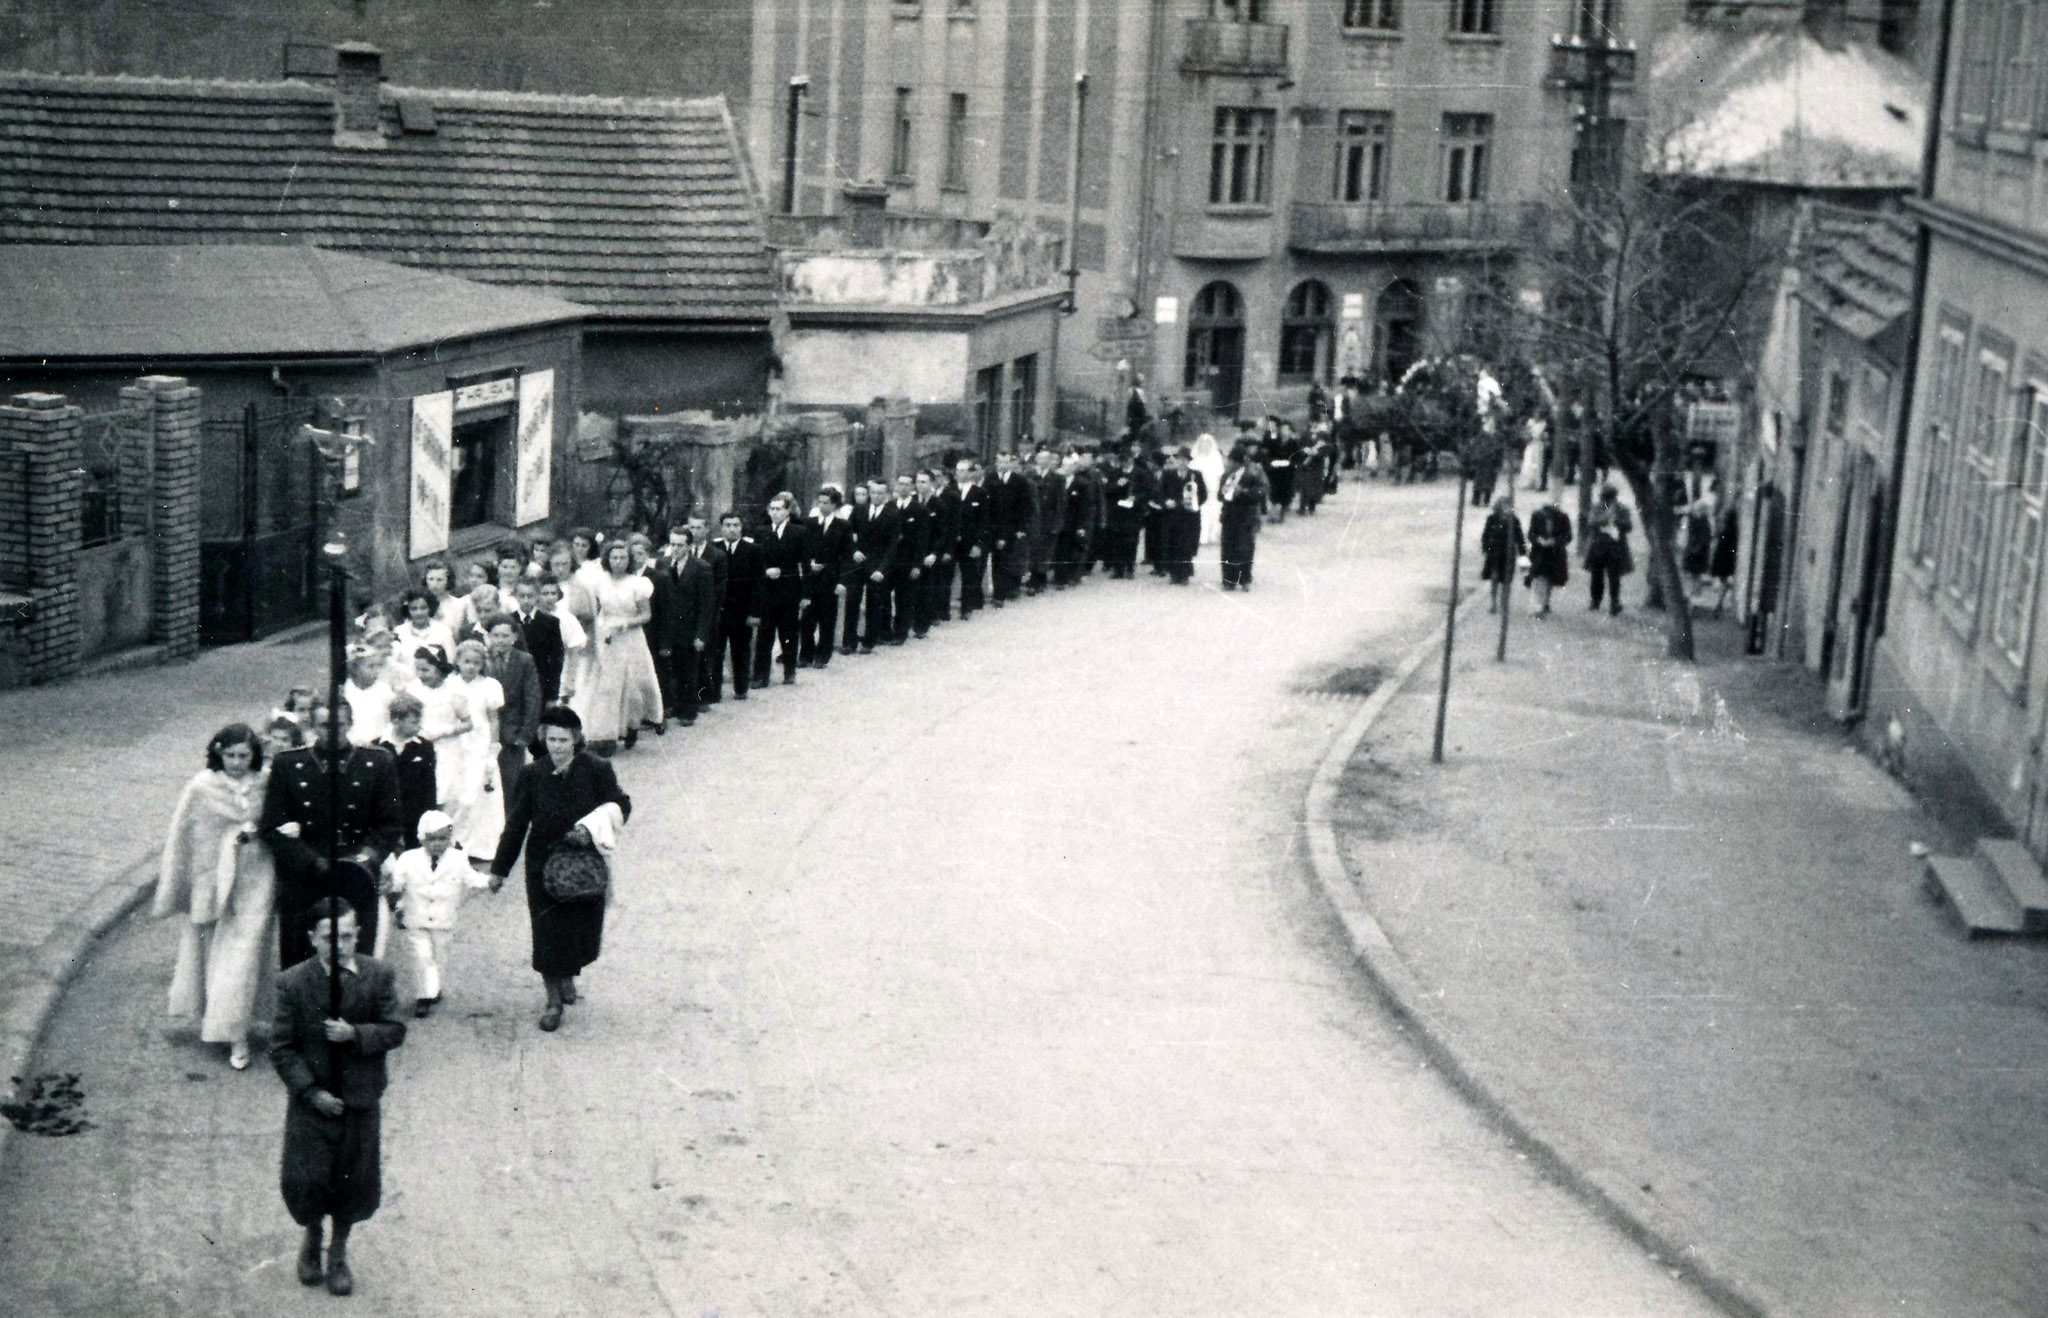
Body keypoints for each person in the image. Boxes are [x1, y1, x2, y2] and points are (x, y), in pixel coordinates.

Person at [270, 898, 406, 1297]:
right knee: (308, 1179)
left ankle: (339, 1252)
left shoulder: (378, 975)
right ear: (313, 938)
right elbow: (282, 1047)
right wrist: (311, 1093)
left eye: (347, 936)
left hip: (360, 1100)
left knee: (353, 1180)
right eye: (329, 937)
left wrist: (356, 1034)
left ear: (357, 935)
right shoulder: (292, 983)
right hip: (311, 1103)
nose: (339, 945)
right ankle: (312, 1239)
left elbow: (395, 1028)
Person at [490, 706, 631, 1033]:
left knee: (580, 930)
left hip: (584, 864)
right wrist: (499, 869)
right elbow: (516, 825)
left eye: (563, 740)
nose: (557, 746)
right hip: (542, 865)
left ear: (576, 739)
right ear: (543, 739)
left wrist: (591, 829)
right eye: (551, 739)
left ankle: (567, 974)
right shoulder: (532, 774)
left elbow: (621, 804)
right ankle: (553, 1000)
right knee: (547, 932)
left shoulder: (597, 769)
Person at [152, 723, 276, 1071]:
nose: (237, 762)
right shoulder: (202, 787)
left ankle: (238, 1030)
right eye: (230, 755)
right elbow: (187, 836)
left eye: (244, 755)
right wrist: (195, 886)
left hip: (259, 876)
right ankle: (229, 1028)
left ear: (254, 755)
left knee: (247, 951)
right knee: (218, 951)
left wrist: (260, 831)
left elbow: (278, 819)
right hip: (218, 882)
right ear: (218, 754)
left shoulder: (265, 782)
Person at [260, 703, 402, 970]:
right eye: (325, 725)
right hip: (305, 876)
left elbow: (390, 823)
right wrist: (310, 862)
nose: (333, 730)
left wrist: (367, 858)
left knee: (355, 956)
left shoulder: (377, 762)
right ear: (313, 727)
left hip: (356, 874)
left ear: (350, 724)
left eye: (340, 724)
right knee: (300, 957)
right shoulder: (288, 764)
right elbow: (271, 827)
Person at [381, 810, 488, 1018]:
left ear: (450, 838)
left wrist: (490, 881)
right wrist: (389, 886)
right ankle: (423, 997)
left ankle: (434, 988)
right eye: (432, 839)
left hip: (444, 920)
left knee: (440, 957)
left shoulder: (458, 858)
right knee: (422, 957)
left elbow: (471, 878)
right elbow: (397, 882)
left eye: (443, 839)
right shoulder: (408, 859)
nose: (438, 844)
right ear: (422, 838)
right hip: (416, 919)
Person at [575, 538, 665, 750]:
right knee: (608, 685)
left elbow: (646, 615)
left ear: (629, 560)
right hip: (607, 637)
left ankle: (641, 722)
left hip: (631, 638)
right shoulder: (599, 582)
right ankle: (607, 734)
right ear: (607, 559)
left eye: (623, 557)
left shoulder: (637, 584)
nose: (618, 561)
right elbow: (595, 609)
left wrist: (625, 623)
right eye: (614, 557)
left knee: (637, 682)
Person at [448, 639, 506, 855]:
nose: (471, 667)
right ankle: (455, 840)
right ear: (458, 662)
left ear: (482, 664)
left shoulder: (490, 685)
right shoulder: (450, 684)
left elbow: (493, 718)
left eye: (476, 663)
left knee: (478, 791)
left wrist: (493, 745)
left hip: (480, 742)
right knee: (459, 793)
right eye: (467, 662)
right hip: (456, 743)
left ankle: (481, 845)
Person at [656, 526, 716, 723]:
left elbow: (706, 605)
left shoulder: (701, 568)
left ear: (689, 546)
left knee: (687, 671)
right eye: (673, 544)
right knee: (667, 669)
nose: (676, 549)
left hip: (688, 628)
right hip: (667, 627)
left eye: (680, 545)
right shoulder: (663, 563)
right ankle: (670, 705)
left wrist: (701, 635)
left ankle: (688, 711)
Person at [753, 492, 808, 685]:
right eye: (772, 509)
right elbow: (755, 560)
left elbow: (804, 564)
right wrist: (765, 571)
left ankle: (789, 671)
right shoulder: (761, 532)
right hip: (766, 590)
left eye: (779, 509)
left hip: (789, 589)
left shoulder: (798, 532)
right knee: (764, 634)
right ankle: (760, 675)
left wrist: (805, 594)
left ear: (787, 512)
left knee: (788, 632)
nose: (775, 513)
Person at [483, 613, 540, 792]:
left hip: (513, 732)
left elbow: (532, 698)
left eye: (505, 636)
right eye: (496, 635)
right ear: (489, 636)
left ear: (514, 637)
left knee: (512, 783)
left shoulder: (524, 660)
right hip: (484, 731)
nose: (500, 640)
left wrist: (525, 734)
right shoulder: (482, 659)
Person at [374, 692, 436, 850]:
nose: (419, 726)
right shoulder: (377, 748)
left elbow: (430, 787)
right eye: (414, 722)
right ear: (396, 721)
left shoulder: (424, 747)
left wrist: (429, 818)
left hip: (414, 817)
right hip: (385, 817)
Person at [712, 511, 764, 699]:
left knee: (741, 650)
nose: (732, 529)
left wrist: (755, 612)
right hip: (719, 610)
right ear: (721, 528)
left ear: (741, 528)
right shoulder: (714, 549)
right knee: (716, 651)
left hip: (742, 611)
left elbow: (758, 584)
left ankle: (741, 688)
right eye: (728, 525)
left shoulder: (753, 550)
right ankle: (714, 691)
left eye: (736, 525)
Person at [802, 487, 851, 667]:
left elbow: (847, 556)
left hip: (830, 577)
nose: (822, 506)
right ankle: (805, 654)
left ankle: (823, 655)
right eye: (820, 502)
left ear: (835, 505)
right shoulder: (809, 523)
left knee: (827, 618)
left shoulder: (843, 526)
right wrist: (809, 564)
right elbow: (803, 549)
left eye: (826, 503)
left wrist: (842, 581)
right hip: (811, 577)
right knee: (807, 618)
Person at [1218, 439, 1270, 591]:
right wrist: (1224, 492)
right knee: (1228, 548)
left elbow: (1262, 491)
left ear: (1240, 462)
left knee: (1245, 548)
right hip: (1229, 514)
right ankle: (1229, 579)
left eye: (1232, 461)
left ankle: (1245, 579)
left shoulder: (1255, 471)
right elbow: (1220, 495)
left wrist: (1244, 492)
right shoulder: (1227, 474)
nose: (1229, 464)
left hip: (1248, 515)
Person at [989, 449, 1035, 605]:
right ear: (996, 463)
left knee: (1006, 558)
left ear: (1011, 463)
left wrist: (1022, 528)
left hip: (1011, 526)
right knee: (995, 559)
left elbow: (1026, 506)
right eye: (1000, 462)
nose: (1003, 465)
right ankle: (998, 590)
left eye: (1006, 462)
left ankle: (1001, 594)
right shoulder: (990, 479)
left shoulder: (1020, 481)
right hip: (993, 526)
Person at [886, 474, 927, 641]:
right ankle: (885, 631)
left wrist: (917, 564)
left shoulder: (919, 509)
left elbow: (922, 539)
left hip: (907, 560)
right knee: (884, 596)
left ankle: (900, 632)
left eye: (907, 484)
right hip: (889, 560)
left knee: (904, 598)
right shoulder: (889, 506)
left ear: (912, 487)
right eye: (900, 484)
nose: (903, 487)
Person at [1157, 446, 1206, 586]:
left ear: (1189, 461)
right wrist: (1166, 502)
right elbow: (1160, 492)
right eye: (1179, 459)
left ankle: (1185, 574)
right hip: (1172, 516)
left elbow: (1203, 494)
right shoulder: (1168, 474)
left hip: (1189, 517)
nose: (1182, 462)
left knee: (1186, 545)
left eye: (1185, 460)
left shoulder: (1196, 475)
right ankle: (1174, 574)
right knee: (1172, 543)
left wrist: (1193, 503)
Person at [1586, 484, 1635, 615]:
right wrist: (1606, 518)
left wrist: (1616, 521)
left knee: (1614, 576)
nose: (1607, 501)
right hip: (1599, 545)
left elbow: (1629, 526)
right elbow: (1591, 522)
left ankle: (1614, 602)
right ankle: (1595, 600)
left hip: (1615, 546)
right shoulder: (1596, 508)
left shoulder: (1622, 509)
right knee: (1597, 575)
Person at [952, 458, 991, 616]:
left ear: (970, 473)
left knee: (969, 573)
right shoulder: (951, 491)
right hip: (952, 540)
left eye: (963, 470)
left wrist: (978, 543)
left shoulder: (979, 493)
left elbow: (983, 521)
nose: (959, 474)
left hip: (970, 540)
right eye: (957, 470)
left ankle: (967, 608)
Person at [1525, 494, 1573, 616]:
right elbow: (1531, 534)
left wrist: (1555, 541)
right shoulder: (1537, 516)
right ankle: (1537, 606)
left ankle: (1545, 602)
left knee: (1550, 578)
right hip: (1539, 552)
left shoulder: (1563, 517)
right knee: (1539, 578)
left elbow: (1568, 536)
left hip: (1556, 553)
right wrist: (1539, 540)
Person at [1025, 447, 1065, 594]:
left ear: (1050, 461)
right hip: (1033, 518)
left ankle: (1038, 578)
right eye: (1040, 458)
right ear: (1036, 460)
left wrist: (1057, 522)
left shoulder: (1057, 478)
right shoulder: (1030, 475)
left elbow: (1061, 502)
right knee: (1033, 550)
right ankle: (1035, 576)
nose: (1043, 461)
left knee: (1045, 551)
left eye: (1046, 459)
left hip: (1048, 519)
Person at [1479, 496, 1526, 614]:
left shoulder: (1514, 520)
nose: (1507, 508)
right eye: (1505, 505)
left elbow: (1519, 538)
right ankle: (1493, 603)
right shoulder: (1492, 519)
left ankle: (1503, 603)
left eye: (1509, 505)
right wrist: (1486, 549)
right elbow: (1485, 535)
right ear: (1499, 506)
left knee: (1506, 580)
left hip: (1508, 554)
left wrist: (1522, 553)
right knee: (1494, 578)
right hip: (1494, 553)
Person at [391, 590, 456, 674]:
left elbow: (451, 662)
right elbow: (394, 662)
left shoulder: (443, 631)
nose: (419, 613)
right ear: (407, 610)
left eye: (423, 608)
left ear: (430, 608)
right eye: (414, 609)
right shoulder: (399, 632)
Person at [340, 650, 394, 749]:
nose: (376, 671)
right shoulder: (344, 691)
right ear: (355, 669)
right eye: (371, 666)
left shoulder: (384, 690)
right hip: (352, 748)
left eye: (377, 666)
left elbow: (392, 720)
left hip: (379, 747)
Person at [1189, 433, 1226, 547]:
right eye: (1202, 444)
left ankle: (1213, 534)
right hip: (1200, 489)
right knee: (1202, 511)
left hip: (1212, 487)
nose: (1204, 446)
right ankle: (1202, 536)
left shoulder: (1215, 458)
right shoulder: (1196, 458)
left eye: (1207, 444)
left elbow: (1219, 473)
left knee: (1214, 511)